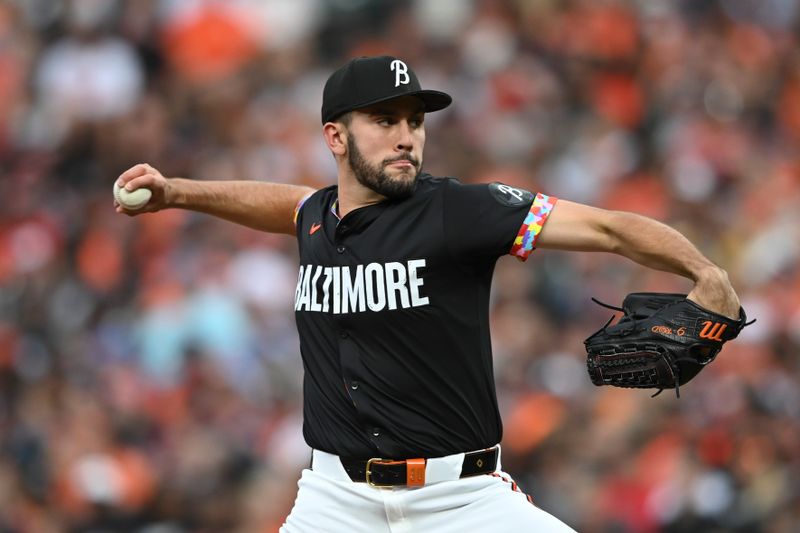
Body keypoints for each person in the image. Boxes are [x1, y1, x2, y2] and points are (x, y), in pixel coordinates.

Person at [115, 56, 741, 532]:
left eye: (414, 121)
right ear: (336, 137)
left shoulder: (457, 211)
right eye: (384, 120)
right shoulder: (317, 218)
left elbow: (607, 228)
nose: (406, 136)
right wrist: (180, 193)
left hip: (463, 499)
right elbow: (288, 203)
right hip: (337, 501)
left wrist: (705, 271)